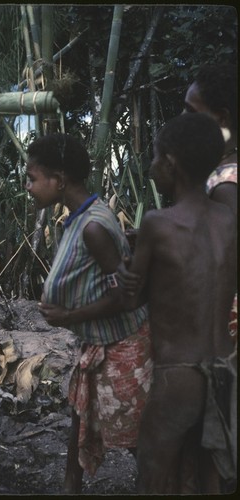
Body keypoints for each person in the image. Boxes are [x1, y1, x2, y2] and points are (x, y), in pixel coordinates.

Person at [25, 133, 152, 494]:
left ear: (60, 180)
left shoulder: (93, 227)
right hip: (98, 343)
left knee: (134, 434)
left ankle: (159, 485)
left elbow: (125, 298)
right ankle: (71, 487)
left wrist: (68, 316)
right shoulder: (78, 220)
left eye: (33, 178)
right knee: (79, 417)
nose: (29, 187)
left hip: (121, 346)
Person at [122, 112, 237, 494]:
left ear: (170, 162)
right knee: (211, 480)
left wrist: (124, 269)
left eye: (155, 156)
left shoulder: (157, 223)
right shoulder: (229, 220)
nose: (152, 165)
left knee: (153, 474)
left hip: (179, 375)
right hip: (225, 368)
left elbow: (132, 298)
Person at [183, 63, 237, 343]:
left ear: (221, 118)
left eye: (191, 111)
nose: (183, 118)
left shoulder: (226, 183)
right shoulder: (219, 172)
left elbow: (225, 263)